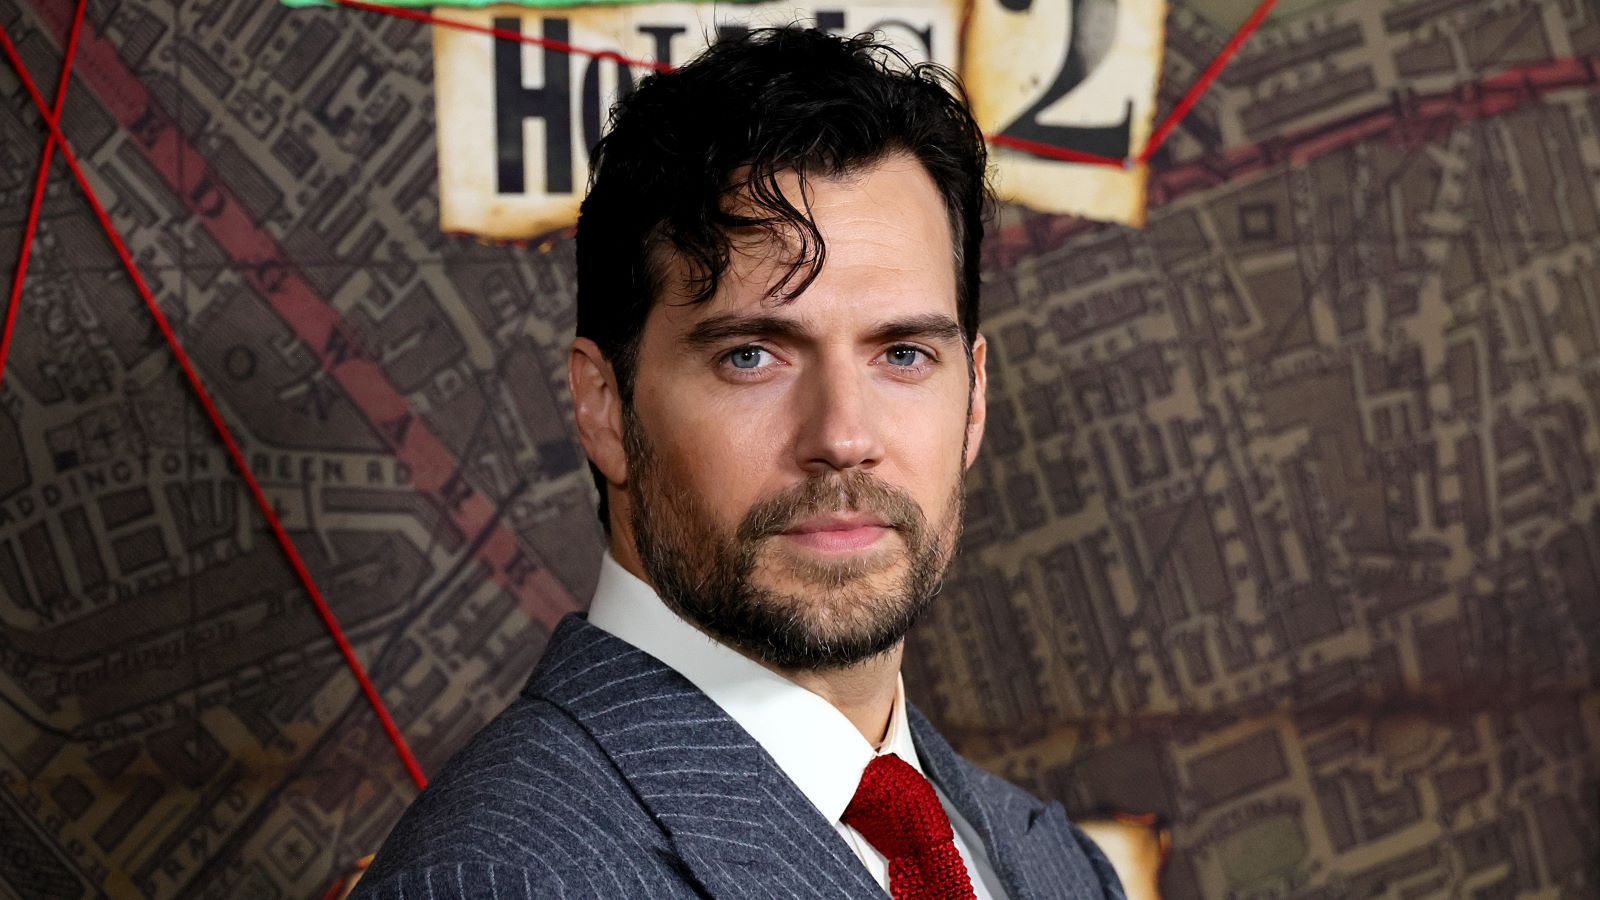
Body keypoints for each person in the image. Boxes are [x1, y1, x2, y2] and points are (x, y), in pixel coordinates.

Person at [353, 26, 1124, 900]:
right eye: (753, 355)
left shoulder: (1058, 867)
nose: (842, 435)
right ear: (604, 407)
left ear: (974, 397)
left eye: (903, 354)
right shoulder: (498, 877)